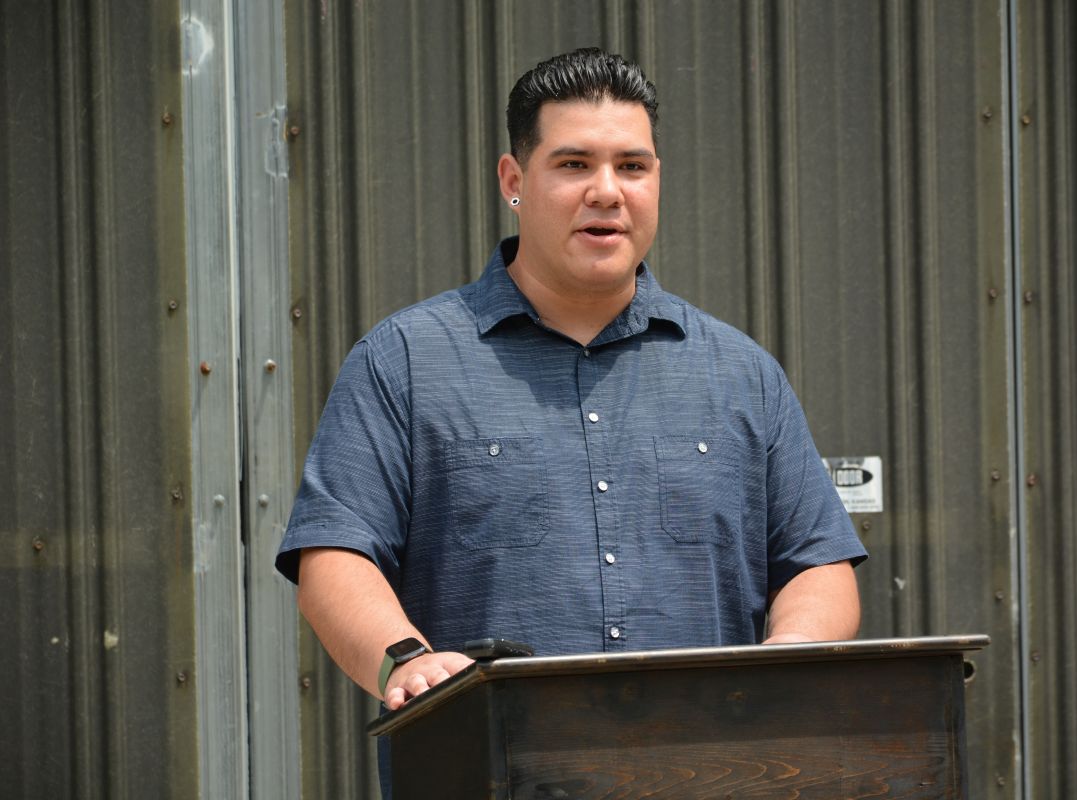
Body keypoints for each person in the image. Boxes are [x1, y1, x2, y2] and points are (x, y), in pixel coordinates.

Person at [276, 47, 866, 794]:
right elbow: (335, 554)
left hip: (709, 774)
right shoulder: (404, 362)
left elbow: (817, 563)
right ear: (514, 181)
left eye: (632, 166)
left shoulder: (742, 373)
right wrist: (407, 660)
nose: (606, 192)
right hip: (487, 776)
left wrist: (790, 656)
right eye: (574, 164)